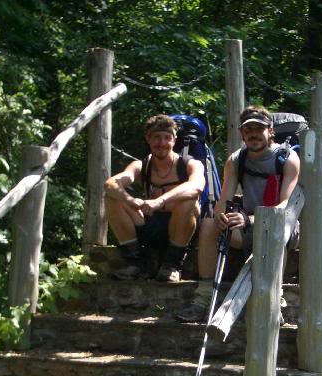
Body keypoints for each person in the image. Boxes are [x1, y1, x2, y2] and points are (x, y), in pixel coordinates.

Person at [176, 106, 300, 322]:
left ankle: (276, 299)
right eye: (248, 129)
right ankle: (203, 299)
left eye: (259, 129)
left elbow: (285, 207)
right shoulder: (236, 159)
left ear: (270, 131)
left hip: (283, 224)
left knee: (276, 230)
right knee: (208, 224)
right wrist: (223, 216)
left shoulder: (288, 159)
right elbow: (224, 200)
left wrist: (249, 219)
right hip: (247, 223)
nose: (253, 134)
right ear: (242, 133)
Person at [103, 114, 205, 282]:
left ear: (174, 140)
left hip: (181, 229)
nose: (162, 143)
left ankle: (172, 265)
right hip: (149, 224)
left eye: (167, 138)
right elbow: (110, 184)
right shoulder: (141, 165)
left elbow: (196, 187)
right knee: (112, 197)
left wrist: (160, 201)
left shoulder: (190, 164)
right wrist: (130, 200)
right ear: (148, 139)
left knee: (189, 201)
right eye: (157, 137)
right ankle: (135, 261)